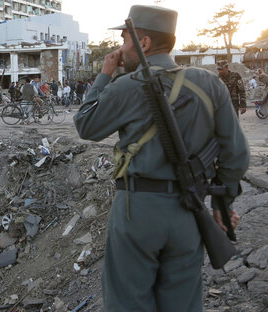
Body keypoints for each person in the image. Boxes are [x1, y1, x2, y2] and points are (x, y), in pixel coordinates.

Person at [73, 5, 248, 311]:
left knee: (128, 302)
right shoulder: (209, 84)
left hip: (136, 211)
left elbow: (86, 125)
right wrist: (223, 204)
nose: (120, 48)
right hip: (188, 210)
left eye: (125, 39)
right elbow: (236, 153)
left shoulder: (124, 86)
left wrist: (104, 76)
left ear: (144, 43)